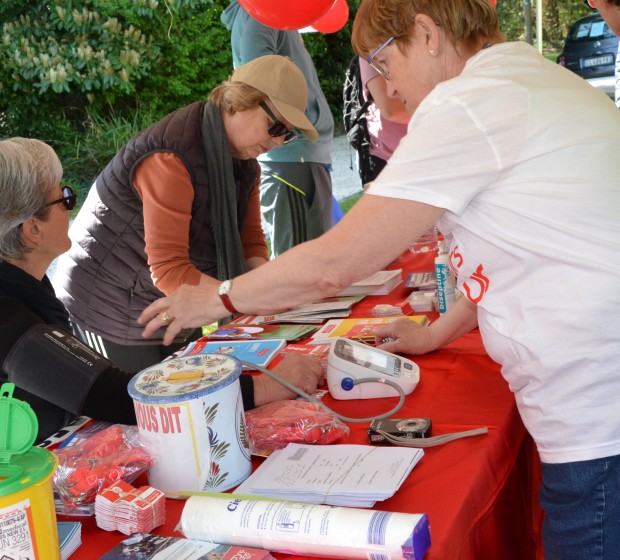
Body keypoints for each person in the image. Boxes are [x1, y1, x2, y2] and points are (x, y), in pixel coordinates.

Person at [140, 1, 620, 558]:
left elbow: (336, 263)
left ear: (427, 34)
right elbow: (509, 258)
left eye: (386, 64)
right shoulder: (525, 78)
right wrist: (435, 334)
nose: (388, 89)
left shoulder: (470, 102)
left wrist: (220, 298)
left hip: (595, 400)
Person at [0, 137, 324, 442]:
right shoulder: (8, 314)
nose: (70, 207)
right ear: (33, 229)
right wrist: (263, 387)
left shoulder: (26, 284)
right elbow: (116, 397)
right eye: (65, 198)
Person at [53, 55, 318, 372]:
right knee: (142, 396)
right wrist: (244, 298)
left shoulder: (244, 164)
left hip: (166, 294)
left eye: (288, 134)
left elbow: (250, 243)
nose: (278, 141)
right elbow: (169, 268)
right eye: (276, 127)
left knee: (190, 380)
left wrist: (268, 293)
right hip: (109, 300)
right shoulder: (170, 158)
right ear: (238, 102)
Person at [221, 0, 335, 258]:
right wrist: (288, 130)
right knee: (300, 263)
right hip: (292, 156)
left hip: (299, 153)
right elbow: (257, 84)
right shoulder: (262, 13)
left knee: (313, 261)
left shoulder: (272, 11)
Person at [357, 56, 409, 185]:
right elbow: (391, 109)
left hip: (417, 150)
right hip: (388, 157)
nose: (391, 91)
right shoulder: (368, 49)